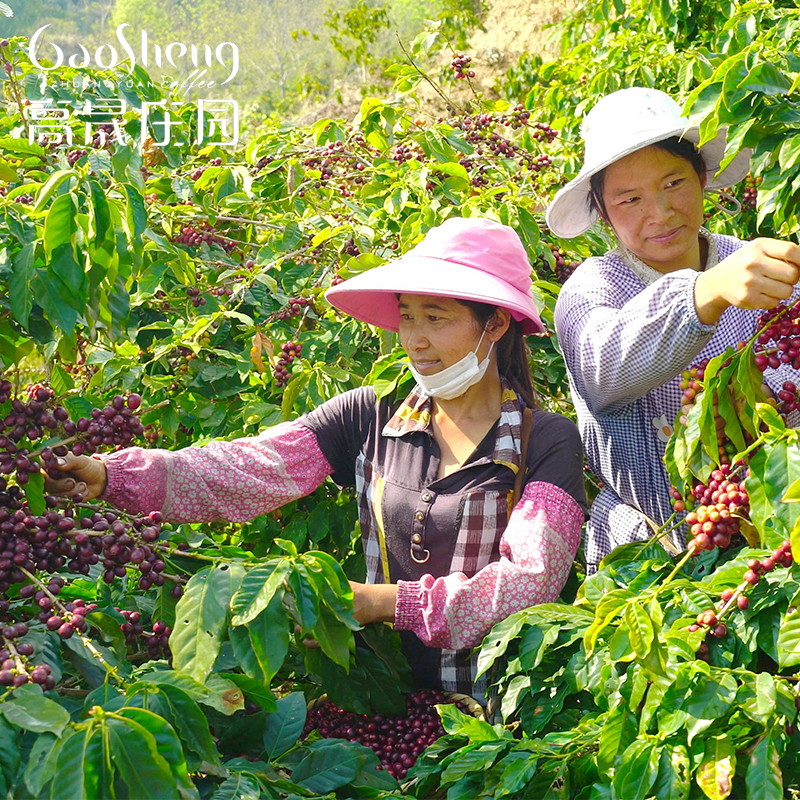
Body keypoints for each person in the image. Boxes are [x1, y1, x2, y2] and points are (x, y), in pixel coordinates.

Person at [48, 217, 587, 696]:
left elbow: (529, 582)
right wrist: (112, 476)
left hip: (502, 715)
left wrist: (383, 602)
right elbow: (250, 469)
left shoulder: (547, 441)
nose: (415, 340)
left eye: (436, 318)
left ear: (493, 324)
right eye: (407, 318)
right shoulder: (372, 413)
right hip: (386, 691)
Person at [546, 86, 800, 573]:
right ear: (602, 212)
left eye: (673, 184)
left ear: (702, 178)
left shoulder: (753, 262)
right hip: (658, 554)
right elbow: (606, 364)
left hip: (778, 540)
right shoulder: (591, 290)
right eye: (630, 200)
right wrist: (705, 293)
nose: (659, 215)